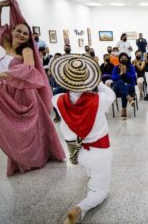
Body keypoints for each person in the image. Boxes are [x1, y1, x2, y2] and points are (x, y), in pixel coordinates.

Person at [0, 0, 65, 176]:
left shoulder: (27, 50)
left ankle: (35, 158)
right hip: (8, 92)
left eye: (26, 33)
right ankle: (19, 159)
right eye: (19, 31)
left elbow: (27, 72)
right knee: (14, 130)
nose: (22, 35)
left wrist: (0, 75)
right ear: (11, 31)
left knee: (30, 130)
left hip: (25, 94)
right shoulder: (7, 46)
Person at [50, 55, 115, 224]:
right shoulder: (100, 100)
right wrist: (96, 81)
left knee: (90, 165)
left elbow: (61, 94)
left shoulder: (56, 100)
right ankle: (81, 207)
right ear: (88, 79)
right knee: (101, 190)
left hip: (76, 154)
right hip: (99, 153)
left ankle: (90, 173)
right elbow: (110, 93)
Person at [111, 53, 136, 120]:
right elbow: (113, 78)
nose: (124, 59)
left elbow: (133, 77)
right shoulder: (116, 67)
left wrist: (126, 73)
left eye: (125, 58)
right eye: (122, 58)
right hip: (117, 88)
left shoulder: (131, 67)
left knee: (125, 88)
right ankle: (129, 99)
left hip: (129, 86)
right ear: (119, 59)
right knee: (120, 82)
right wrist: (120, 74)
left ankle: (124, 109)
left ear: (128, 59)